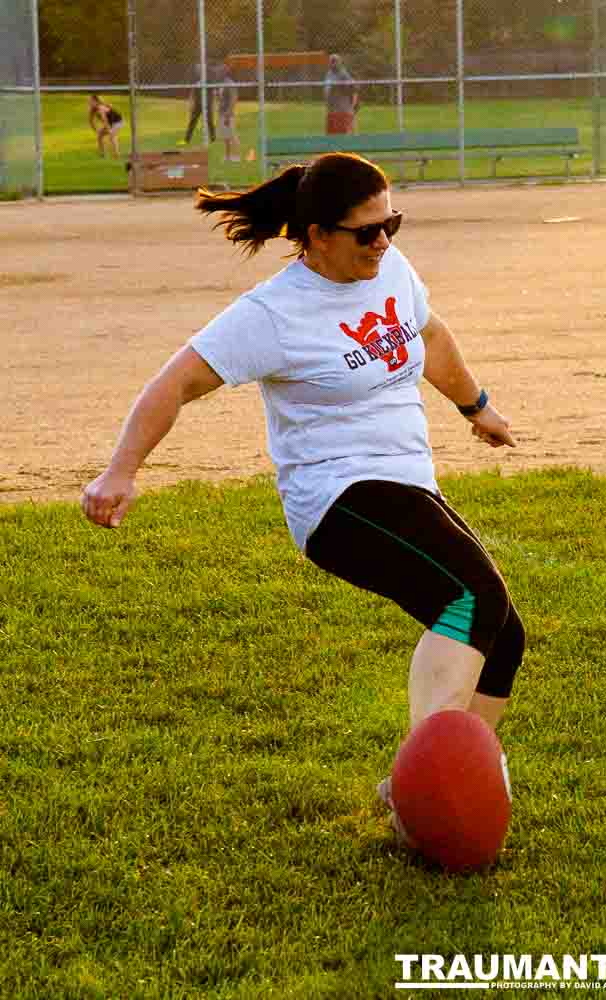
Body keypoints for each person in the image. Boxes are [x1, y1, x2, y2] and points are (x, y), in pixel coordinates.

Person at [80, 153, 525, 847]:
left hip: (404, 480)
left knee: (504, 634)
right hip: (335, 497)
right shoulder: (271, 315)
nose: (383, 242)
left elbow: (429, 337)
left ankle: (439, 785)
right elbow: (172, 385)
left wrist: (476, 406)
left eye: (392, 225)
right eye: (366, 232)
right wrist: (120, 473)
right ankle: (421, 792)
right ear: (316, 235)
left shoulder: (392, 271)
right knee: (469, 600)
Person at [324, 54, 359, 134]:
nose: (333, 63)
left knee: (342, 136)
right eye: (331, 61)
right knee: (330, 137)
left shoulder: (344, 75)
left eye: (335, 61)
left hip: (342, 111)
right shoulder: (329, 74)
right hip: (331, 110)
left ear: (340, 62)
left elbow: (354, 90)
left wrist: (353, 107)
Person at [182, 62, 216, 144]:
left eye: (200, 69)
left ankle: (213, 139)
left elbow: (213, 92)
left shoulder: (209, 79)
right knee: (192, 121)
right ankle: (186, 140)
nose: (198, 71)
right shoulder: (195, 79)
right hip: (198, 104)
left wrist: (212, 103)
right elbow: (192, 92)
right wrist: (191, 103)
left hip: (207, 104)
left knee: (209, 121)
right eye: (197, 70)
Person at [218, 62, 240, 162]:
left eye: (222, 70)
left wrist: (228, 113)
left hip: (227, 114)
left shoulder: (229, 83)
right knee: (226, 136)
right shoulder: (221, 83)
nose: (220, 72)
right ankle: (227, 156)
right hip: (222, 113)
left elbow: (233, 98)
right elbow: (221, 97)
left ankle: (237, 156)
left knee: (232, 135)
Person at [88, 94, 123, 158]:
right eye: (89, 101)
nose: (89, 103)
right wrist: (96, 130)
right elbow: (91, 121)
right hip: (110, 123)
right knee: (99, 136)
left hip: (117, 122)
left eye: (91, 101)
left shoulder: (101, 108)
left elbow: (105, 120)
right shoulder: (92, 110)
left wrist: (109, 130)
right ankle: (102, 154)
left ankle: (117, 154)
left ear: (96, 101)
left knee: (112, 136)